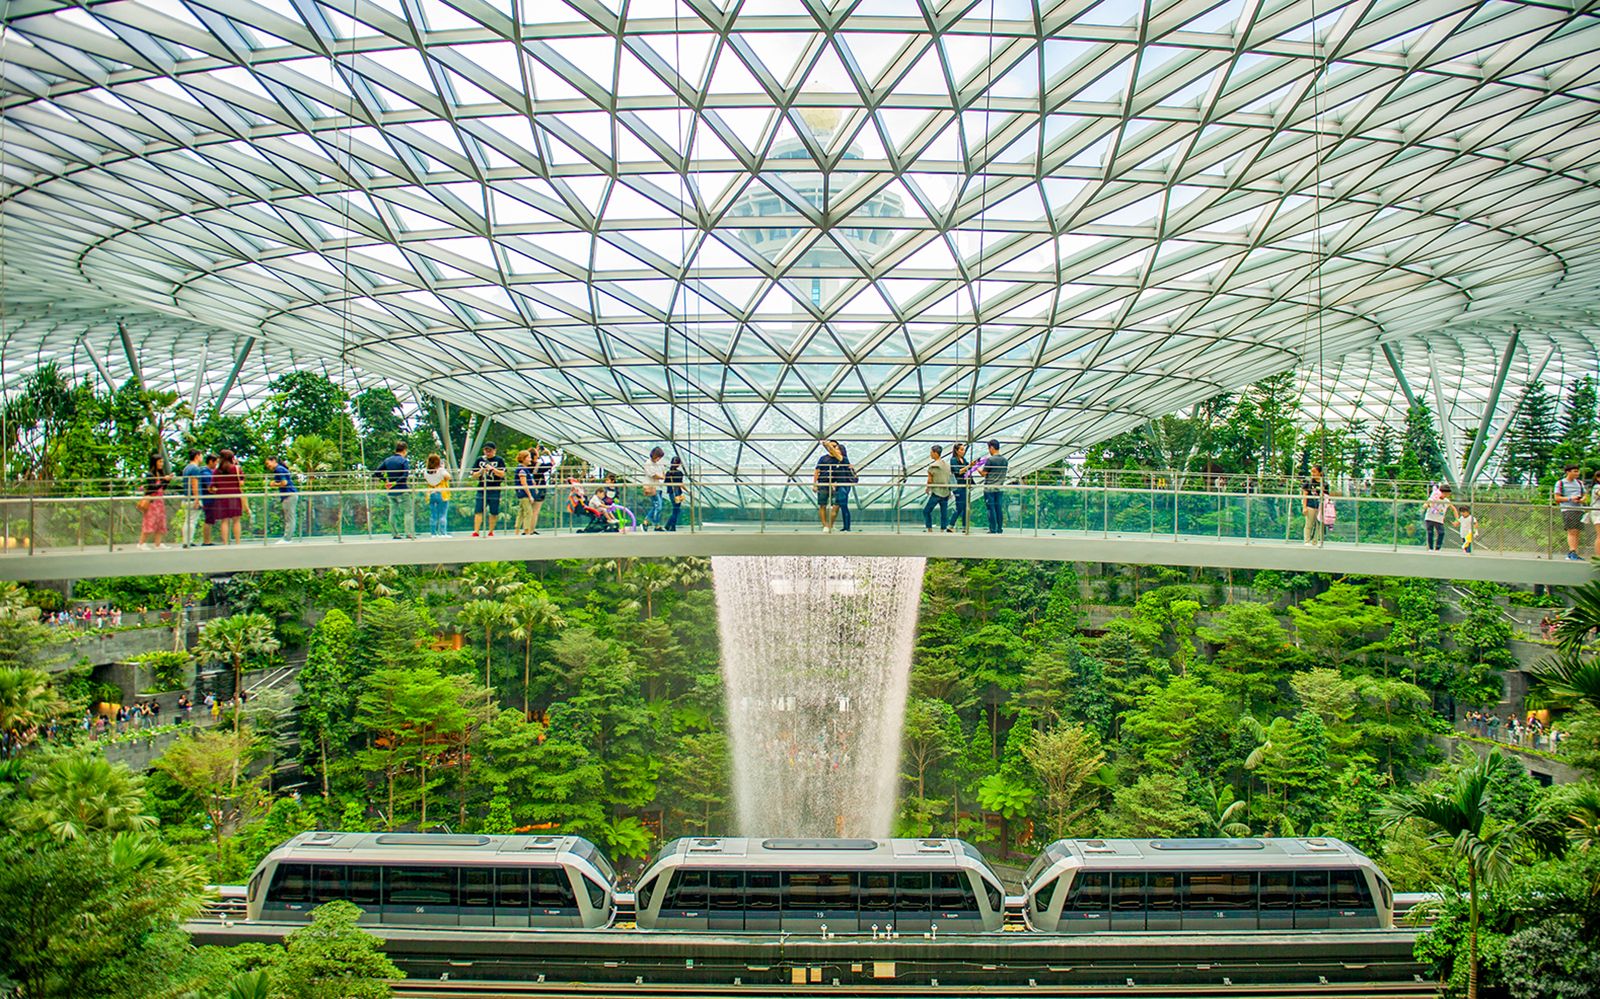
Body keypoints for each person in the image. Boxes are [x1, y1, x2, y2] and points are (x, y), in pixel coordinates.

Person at [374, 441, 411, 539]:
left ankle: (395, 533)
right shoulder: (404, 461)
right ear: (404, 450)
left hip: (391, 491)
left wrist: (385, 481)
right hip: (402, 490)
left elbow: (377, 472)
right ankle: (408, 532)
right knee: (407, 512)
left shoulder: (388, 460)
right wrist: (396, 482)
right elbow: (405, 475)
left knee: (393, 513)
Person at [137, 453, 173, 549]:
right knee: (149, 521)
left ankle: (158, 543)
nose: (162, 464)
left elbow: (162, 487)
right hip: (152, 501)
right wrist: (163, 480)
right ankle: (141, 543)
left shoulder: (160, 473)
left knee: (160, 522)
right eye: (160, 462)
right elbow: (153, 487)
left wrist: (167, 480)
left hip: (160, 501)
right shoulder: (150, 474)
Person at [211, 449, 247, 545]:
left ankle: (225, 543)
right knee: (236, 520)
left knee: (224, 521)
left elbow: (212, 486)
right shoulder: (236, 469)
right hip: (235, 495)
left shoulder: (217, 471)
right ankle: (237, 542)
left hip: (222, 497)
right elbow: (242, 483)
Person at [470, 442, 506, 537]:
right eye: (486, 450)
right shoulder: (479, 460)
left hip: (494, 488)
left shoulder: (499, 460)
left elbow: (502, 474)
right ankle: (476, 531)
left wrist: (492, 469)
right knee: (478, 510)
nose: (488, 452)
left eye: (490, 450)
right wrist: (481, 471)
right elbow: (473, 475)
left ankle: (491, 531)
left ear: (494, 450)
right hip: (482, 488)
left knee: (493, 511)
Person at [1554, 464, 1586, 561]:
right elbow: (1557, 498)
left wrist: (1581, 500)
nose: (1577, 473)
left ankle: (1575, 552)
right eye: (1575, 471)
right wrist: (1570, 499)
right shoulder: (1560, 483)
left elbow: (1584, 495)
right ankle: (1571, 552)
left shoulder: (1580, 483)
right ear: (1568, 472)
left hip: (1579, 509)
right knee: (1571, 530)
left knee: (1577, 531)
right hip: (1568, 509)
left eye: (1578, 471)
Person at [264, 456, 298, 543]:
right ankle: (287, 537)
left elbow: (284, 483)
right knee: (289, 516)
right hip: (288, 495)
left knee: (289, 517)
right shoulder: (280, 469)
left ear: (274, 461)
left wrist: (273, 484)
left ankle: (287, 539)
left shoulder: (279, 469)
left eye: (268, 463)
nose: (268, 466)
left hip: (289, 494)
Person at [180, 449, 206, 548]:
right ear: (197, 456)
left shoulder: (186, 468)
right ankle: (188, 541)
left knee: (188, 520)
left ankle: (186, 540)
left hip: (186, 497)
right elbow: (194, 483)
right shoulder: (195, 469)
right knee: (192, 520)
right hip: (192, 498)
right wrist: (197, 499)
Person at [923, 444, 952, 532]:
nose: (930, 454)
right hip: (946, 492)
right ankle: (942, 529)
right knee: (944, 512)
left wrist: (928, 488)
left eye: (931, 452)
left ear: (935, 453)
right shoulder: (947, 465)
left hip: (936, 492)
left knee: (926, 511)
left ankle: (929, 529)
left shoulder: (932, 466)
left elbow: (930, 480)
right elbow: (950, 478)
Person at [982, 440, 1008, 534]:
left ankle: (992, 528)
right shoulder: (1005, 460)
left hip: (989, 488)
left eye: (989, 448)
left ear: (992, 447)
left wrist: (976, 467)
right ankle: (999, 528)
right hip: (999, 488)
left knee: (990, 508)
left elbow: (983, 473)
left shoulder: (990, 460)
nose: (989, 450)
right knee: (998, 508)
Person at [831, 441, 857, 531]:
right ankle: (845, 526)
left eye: (837, 449)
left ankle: (847, 527)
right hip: (839, 486)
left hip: (844, 486)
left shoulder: (844, 460)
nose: (835, 450)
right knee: (840, 506)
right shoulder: (837, 462)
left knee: (844, 506)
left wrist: (828, 445)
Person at [424, 453, 452, 536]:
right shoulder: (440, 471)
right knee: (442, 514)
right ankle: (443, 533)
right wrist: (443, 468)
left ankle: (433, 533)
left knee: (433, 515)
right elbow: (448, 477)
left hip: (431, 494)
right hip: (442, 493)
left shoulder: (426, 472)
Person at [814, 441, 839, 532]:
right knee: (822, 504)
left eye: (834, 446)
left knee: (835, 505)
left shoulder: (839, 458)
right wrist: (815, 484)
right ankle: (824, 525)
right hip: (822, 483)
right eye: (830, 446)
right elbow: (817, 471)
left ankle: (831, 524)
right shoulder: (823, 458)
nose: (832, 447)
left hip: (835, 484)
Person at [513, 449, 540, 535]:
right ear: (523, 458)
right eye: (528, 457)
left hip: (523, 494)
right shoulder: (522, 470)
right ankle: (526, 530)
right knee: (528, 512)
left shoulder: (524, 469)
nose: (530, 459)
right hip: (524, 494)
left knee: (521, 512)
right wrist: (530, 495)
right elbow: (524, 483)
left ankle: (517, 529)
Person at [1423, 483, 1455, 552]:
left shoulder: (1446, 501)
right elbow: (1425, 504)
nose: (1447, 495)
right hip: (1430, 517)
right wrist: (1427, 505)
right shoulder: (1433, 498)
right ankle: (1431, 548)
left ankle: (1437, 548)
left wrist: (1457, 519)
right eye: (1446, 494)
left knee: (1441, 532)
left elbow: (1454, 509)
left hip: (1439, 520)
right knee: (1430, 532)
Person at [642, 447, 667, 530]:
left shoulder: (659, 463)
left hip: (659, 487)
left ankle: (653, 523)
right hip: (652, 487)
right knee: (658, 506)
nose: (659, 459)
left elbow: (663, 471)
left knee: (656, 506)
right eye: (658, 457)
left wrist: (662, 476)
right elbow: (653, 475)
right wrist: (661, 477)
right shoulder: (648, 463)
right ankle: (650, 522)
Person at [950, 442, 973, 533]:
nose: (963, 451)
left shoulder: (964, 459)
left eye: (964, 450)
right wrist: (968, 466)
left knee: (964, 507)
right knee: (960, 506)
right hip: (958, 486)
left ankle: (964, 526)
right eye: (961, 449)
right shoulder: (954, 460)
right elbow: (957, 472)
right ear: (956, 450)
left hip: (964, 485)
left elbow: (968, 471)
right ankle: (951, 525)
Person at [1301, 465, 1326, 547]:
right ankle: (1307, 540)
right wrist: (1304, 507)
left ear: (1320, 472)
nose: (1313, 473)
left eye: (1315, 472)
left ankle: (1315, 541)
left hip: (1320, 506)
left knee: (1318, 525)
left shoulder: (1324, 483)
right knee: (1309, 524)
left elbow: (1327, 496)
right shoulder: (1308, 483)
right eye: (1312, 472)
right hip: (1310, 506)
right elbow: (1305, 495)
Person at [200, 453, 219, 544]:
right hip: (208, 500)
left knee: (210, 519)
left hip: (212, 500)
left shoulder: (210, 472)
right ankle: (206, 541)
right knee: (208, 519)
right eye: (216, 462)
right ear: (211, 462)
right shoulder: (205, 472)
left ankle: (208, 540)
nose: (216, 465)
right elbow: (210, 488)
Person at [664, 455, 686, 532]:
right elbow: (680, 484)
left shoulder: (668, 473)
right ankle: (671, 526)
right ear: (679, 464)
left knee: (675, 510)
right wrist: (688, 491)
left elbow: (666, 483)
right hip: (678, 493)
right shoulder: (679, 473)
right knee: (676, 510)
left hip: (671, 493)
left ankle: (669, 525)